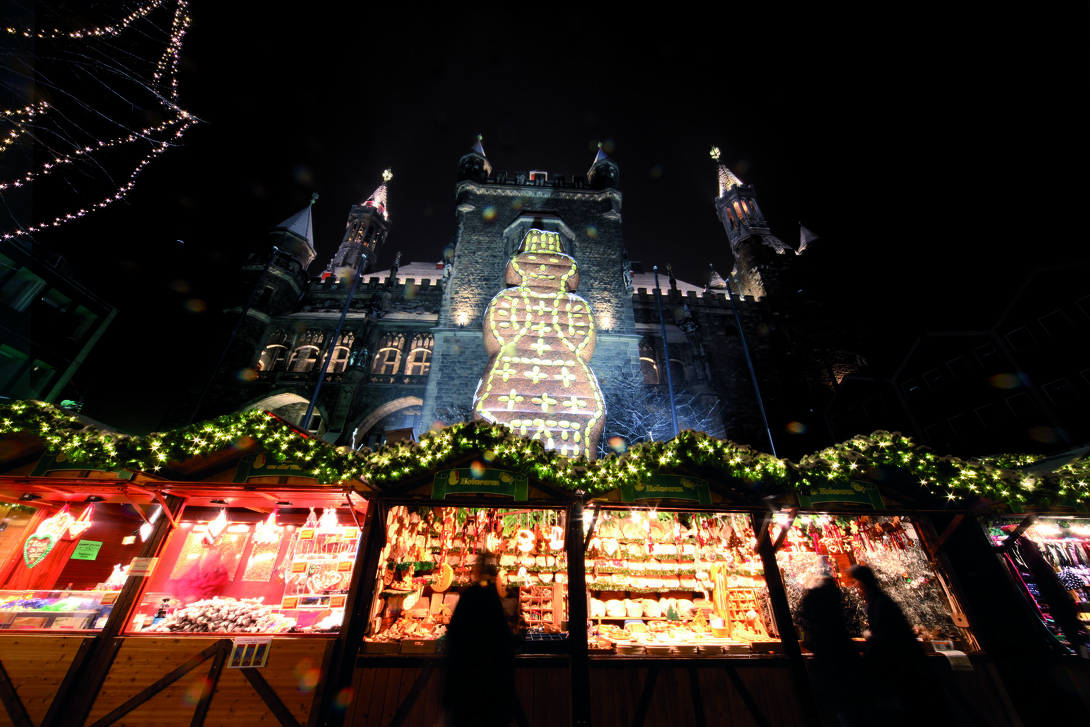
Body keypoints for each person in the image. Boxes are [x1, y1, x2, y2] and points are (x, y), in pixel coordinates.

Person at [848, 564, 953, 727]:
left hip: (902, 669)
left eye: (855, 582)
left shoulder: (879, 602)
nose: (854, 587)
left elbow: (890, 636)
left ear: (863, 582)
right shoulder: (877, 601)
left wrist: (870, 637)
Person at [442, 553, 516, 727]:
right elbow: (506, 638)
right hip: (493, 689)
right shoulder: (496, 598)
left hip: (467, 684)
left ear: (479, 571)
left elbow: (455, 632)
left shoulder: (473, 595)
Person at [797, 574, 871, 727]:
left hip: (833, 671)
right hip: (847, 666)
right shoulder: (836, 611)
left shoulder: (817, 618)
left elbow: (814, 641)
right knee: (858, 711)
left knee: (848, 714)